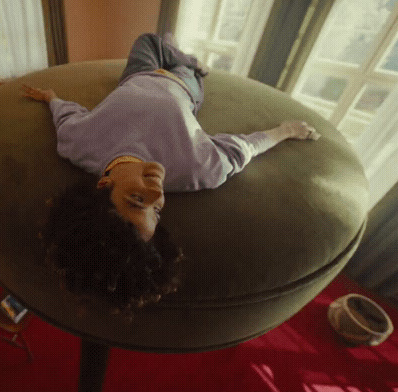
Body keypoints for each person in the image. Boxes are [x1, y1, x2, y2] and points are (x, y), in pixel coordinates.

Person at [23, 33, 319, 314]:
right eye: (157, 211)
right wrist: (287, 131)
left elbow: (66, 116)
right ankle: (189, 62)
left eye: (138, 200)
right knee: (182, 62)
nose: (158, 193)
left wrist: (51, 98)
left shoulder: (77, 144)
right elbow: (245, 147)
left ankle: (175, 49)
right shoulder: (200, 168)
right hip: (184, 85)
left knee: (149, 39)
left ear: (104, 184)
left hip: (136, 75)